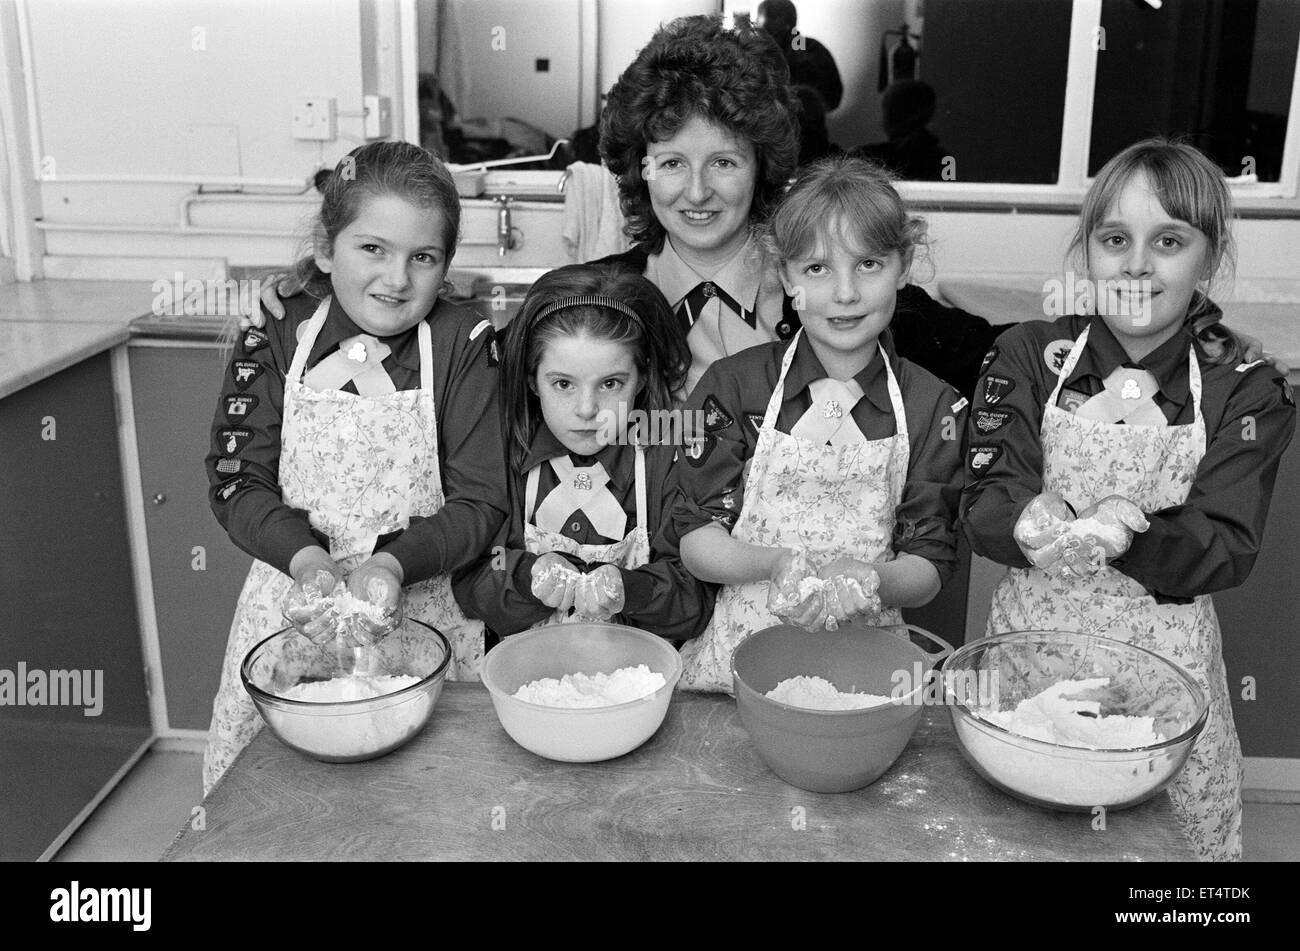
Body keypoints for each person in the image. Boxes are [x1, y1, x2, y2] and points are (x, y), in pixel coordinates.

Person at [961, 139, 1296, 861]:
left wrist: (1129, 534)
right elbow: (987, 493)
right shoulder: (1028, 353)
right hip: (1030, 676)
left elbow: (1225, 540)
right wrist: (1027, 518)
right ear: (1088, 252)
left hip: (1164, 695)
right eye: (1116, 239)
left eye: (1168, 241)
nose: (1137, 264)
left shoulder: (1248, 384)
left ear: (1209, 258)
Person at [202, 142, 507, 793]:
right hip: (291, 605)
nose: (397, 278)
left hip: (427, 620)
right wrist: (308, 562)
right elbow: (236, 481)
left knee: (425, 801)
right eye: (373, 248)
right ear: (326, 246)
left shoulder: (463, 343)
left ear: (445, 263)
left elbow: (483, 501)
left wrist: (392, 565)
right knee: (277, 804)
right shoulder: (277, 329)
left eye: (422, 257)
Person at [671, 156, 967, 692]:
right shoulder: (734, 387)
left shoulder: (934, 406)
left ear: (903, 265)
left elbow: (928, 567)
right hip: (733, 669)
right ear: (784, 274)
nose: (846, 293)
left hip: (869, 677)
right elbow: (695, 539)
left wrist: (873, 581)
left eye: (869, 264)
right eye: (817, 269)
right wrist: (777, 564)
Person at [453, 263, 714, 641]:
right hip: (524, 681)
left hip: (638, 681)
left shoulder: (668, 457)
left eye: (610, 383)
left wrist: (633, 590)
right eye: (563, 384)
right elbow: (472, 577)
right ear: (532, 379)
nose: (587, 409)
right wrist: (526, 578)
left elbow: (695, 598)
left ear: (641, 377)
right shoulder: (503, 453)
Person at [756, 0, 843, 114]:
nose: (756, 23)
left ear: (784, 23)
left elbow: (832, 98)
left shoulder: (811, 51)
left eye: (760, 17)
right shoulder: (758, 51)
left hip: (803, 126)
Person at [855, 80, 949, 182]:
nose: (882, 121)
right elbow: (950, 190)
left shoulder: (868, 158)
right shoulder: (946, 160)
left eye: (888, 112)